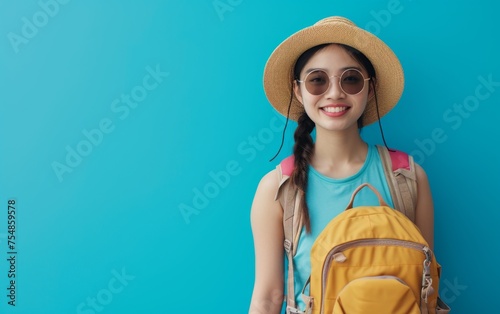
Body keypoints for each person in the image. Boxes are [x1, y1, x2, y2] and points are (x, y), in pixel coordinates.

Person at [248, 16, 435, 314]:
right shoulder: (277, 187)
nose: (334, 93)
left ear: (370, 89)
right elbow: (268, 297)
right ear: (298, 91)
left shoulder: (408, 178)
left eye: (350, 79)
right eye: (317, 80)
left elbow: (426, 286)